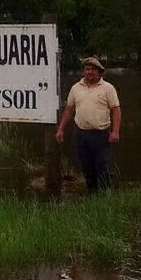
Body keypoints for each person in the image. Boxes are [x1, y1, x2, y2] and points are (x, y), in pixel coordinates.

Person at [55, 56, 120, 193]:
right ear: (83, 71)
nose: (90, 72)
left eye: (93, 69)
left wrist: (115, 131)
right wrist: (60, 129)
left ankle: (105, 196)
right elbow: (69, 109)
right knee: (86, 166)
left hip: (101, 134)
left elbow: (116, 109)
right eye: (87, 69)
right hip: (81, 134)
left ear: (99, 72)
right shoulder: (75, 88)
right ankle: (92, 193)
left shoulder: (108, 88)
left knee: (102, 167)